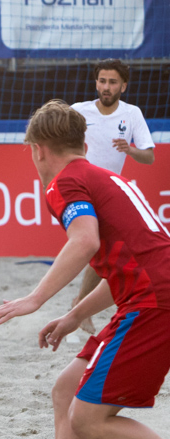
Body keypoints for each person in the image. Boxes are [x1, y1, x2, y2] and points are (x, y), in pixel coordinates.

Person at [0, 100, 170, 439]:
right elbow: (126, 267)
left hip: (154, 301)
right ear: (83, 143)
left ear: (37, 149)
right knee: (66, 391)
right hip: (148, 294)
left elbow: (83, 242)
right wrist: (72, 316)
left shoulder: (63, 183)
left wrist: (35, 299)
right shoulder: (106, 177)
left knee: (88, 420)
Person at [65, 61, 155, 334]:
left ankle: (79, 307)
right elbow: (52, 130)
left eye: (112, 82)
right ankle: (79, 310)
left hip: (110, 191)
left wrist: (129, 150)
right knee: (96, 248)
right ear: (96, 83)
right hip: (80, 188)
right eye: (102, 81)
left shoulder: (132, 114)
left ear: (123, 86)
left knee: (104, 252)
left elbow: (149, 157)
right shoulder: (79, 111)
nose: (106, 86)